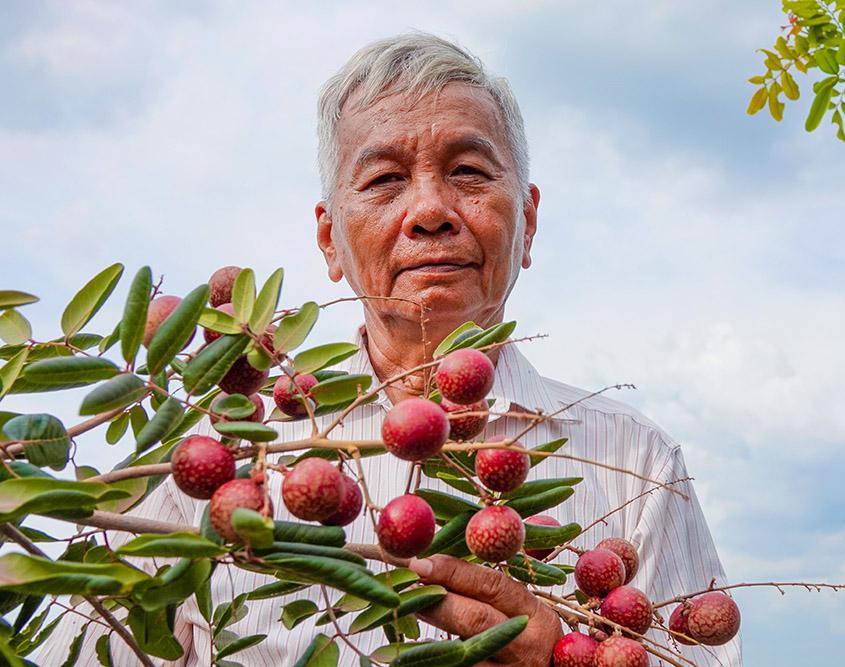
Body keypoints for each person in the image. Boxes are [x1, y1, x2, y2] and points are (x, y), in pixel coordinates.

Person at [37, 33, 742, 666]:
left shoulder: (636, 465)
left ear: (526, 221)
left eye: (469, 170)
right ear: (329, 241)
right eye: (383, 180)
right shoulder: (213, 458)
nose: (430, 210)